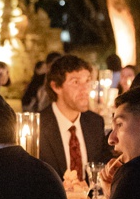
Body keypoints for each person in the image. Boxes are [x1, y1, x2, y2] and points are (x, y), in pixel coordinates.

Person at [39, 53, 115, 182]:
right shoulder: (39, 126)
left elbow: (103, 166)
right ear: (56, 86)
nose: (85, 89)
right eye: (76, 82)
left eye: (87, 81)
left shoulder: (95, 123)